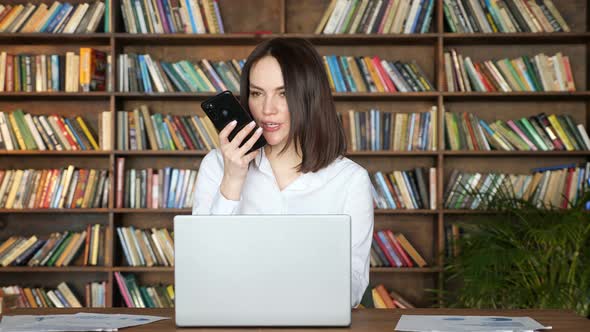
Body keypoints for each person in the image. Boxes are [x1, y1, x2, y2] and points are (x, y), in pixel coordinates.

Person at [192, 37, 374, 308]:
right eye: (257, 93)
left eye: (283, 93)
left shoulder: (350, 181)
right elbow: (200, 273)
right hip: (233, 319)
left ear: (310, 98)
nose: (267, 109)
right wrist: (232, 179)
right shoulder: (216, 166)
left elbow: (354, 286)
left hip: (313, 321)